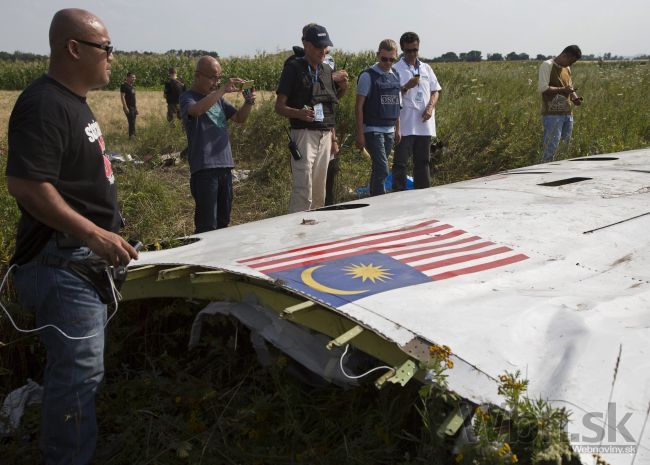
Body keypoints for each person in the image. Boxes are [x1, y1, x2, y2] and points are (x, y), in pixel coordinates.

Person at [5, 8, 139, 464]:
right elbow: (26, 185)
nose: (112, 58)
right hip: (61, 263)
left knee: (79, 375)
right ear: (74, 48)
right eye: (106, 49)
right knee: (79, 377)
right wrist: (93, 233)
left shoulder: (73, 102)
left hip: (80, 261)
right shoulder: (44, 103)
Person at [275, 24, 348, 213]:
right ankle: (296, 235)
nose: (323, 51)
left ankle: (316, 234)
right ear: (305, 44)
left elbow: (328, 104)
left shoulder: (325, 70)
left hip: (324, 135)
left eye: (325, 46)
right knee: (303, 190)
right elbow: (279, 106)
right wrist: (299, 113)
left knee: (318, 192)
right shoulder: (293, 68)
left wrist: (333, 138)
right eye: (318, 46)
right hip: (303, 135)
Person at [180, 56, 256, 233]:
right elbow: (196, 110)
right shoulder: (188, 97)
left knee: (223, 222)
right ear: (198, 75)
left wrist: (249, 102)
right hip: (205, 169)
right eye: (212, 77)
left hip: (225, 167)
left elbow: (239, 118)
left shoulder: (218, 100)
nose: (216, 82)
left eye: (219, 78)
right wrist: (221, 90)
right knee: (207, 225)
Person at [392, 31, 442, 191]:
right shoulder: (395, 69)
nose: (412, 54)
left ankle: (423, 196)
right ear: (402, 49)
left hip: (424, 123)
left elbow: (436, 90)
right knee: (400, 163)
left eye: (415, 50)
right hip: (405, 123)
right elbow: (391, 94)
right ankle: (398, 195)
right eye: (408, 51)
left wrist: (430, 107)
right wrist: (406, 87)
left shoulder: (426, 68)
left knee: (423, 162)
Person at [355, 39, 401, 196]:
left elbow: (397, 105)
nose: (388, 63)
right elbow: (358, 107)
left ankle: (374, 200)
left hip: (389, 130)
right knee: (383, 168)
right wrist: (360, 134)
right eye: (384, 59)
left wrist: (398, 129)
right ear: (378, 55)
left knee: (378, 169)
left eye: (392, 59)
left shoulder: (396, 76)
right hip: (373, 130)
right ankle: (380, 200)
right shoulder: (368, 76)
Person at [538, 45, 583, 162]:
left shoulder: (567, 68)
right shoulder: (547, 65)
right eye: (570, 61)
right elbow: (543, 88)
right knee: (551, 148)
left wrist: (575, 98)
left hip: (568, 114)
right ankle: (545, 176)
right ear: (564, 55)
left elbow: (570, 87)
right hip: (552, 114)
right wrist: (563, 90)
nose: (570, 65)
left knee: (564, 148)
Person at [120, 71, 137, 138]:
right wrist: (125, 107)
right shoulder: (124, 86)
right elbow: (122, 96)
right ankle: (132, 137)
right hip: (128, 107)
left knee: (133, 122)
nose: (134, 79)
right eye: (132, 77)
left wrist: (136, 108)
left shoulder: (132, 87)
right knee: (131, 122)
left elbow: (134, 98)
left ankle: (133, 135)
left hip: (133, 107)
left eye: (135, 77)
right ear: (128, 78)